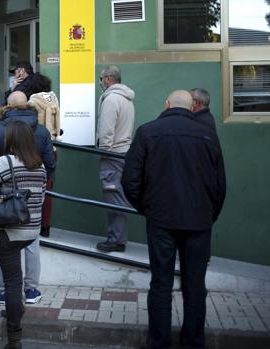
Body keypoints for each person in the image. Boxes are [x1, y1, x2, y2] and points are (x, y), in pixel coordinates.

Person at [122, 90, 226, 349]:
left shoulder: (148, 132)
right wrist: (208, 215)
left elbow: (130, 179)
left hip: (161, 219)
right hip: (199, 221)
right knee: (195, 285)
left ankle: (159, 342)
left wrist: (147, 208)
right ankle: (193, 341)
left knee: (160, 283)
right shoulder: (208, 136)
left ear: (167, 104)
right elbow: (219, 185)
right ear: (193, 107)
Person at [0, 91, 55, 306]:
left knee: (3, 244)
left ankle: (1, 289)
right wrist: (36, 186)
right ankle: (31, 289)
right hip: (32, 200)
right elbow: (49, 164)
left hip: (3, 198)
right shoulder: (40, 130)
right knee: (31, 244)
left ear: (7, 106)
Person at [0, 121, 47, 349]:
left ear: (10, 140)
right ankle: (15, 308)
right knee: (16, 280)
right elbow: (41, 199)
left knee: (12, 282)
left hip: (8, 231)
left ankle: (14, 337)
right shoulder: (40, 166)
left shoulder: (4, 162)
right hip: (31, 230)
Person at [95, 65, 135, 253]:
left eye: (101, 78)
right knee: (118, 195)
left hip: (112, 155)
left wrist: (103, 152)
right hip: (123, 152)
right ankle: (118, 238)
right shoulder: (127, 99)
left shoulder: (111, 99)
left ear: (109, 79)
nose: (100, 82)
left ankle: (116, 240)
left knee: (113, 197)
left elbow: (106, 131)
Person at [27, 74, 60, 237]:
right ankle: (46, 226)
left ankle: (32, 223)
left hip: (35, 149)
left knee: (30, 187)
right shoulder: (53, 98)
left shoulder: (33, 102)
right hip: (53, 149)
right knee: (47, 189)